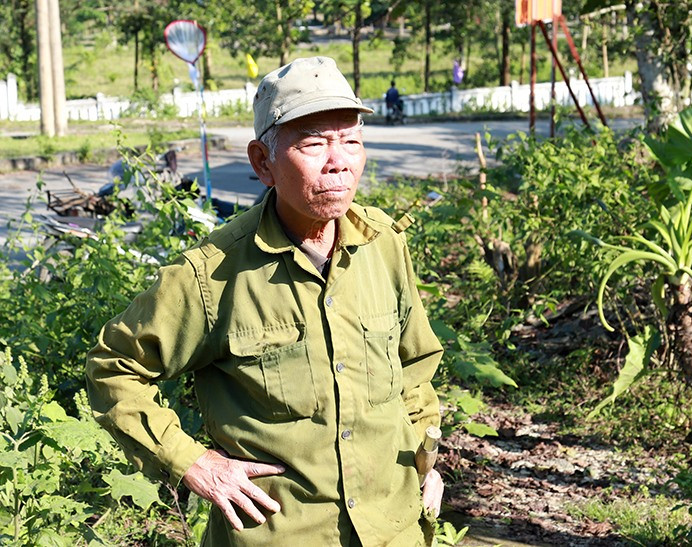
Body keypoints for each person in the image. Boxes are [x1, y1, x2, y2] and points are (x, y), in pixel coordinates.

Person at [86, 56, 444, 546]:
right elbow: (114, 367)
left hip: (393, 527)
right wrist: (195, 463)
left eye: (352, 140)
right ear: (262, 162)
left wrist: (425, 459)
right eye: (314, 142)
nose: (338, 160)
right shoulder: (212, 274)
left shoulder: (382, 245)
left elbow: (415, 365)